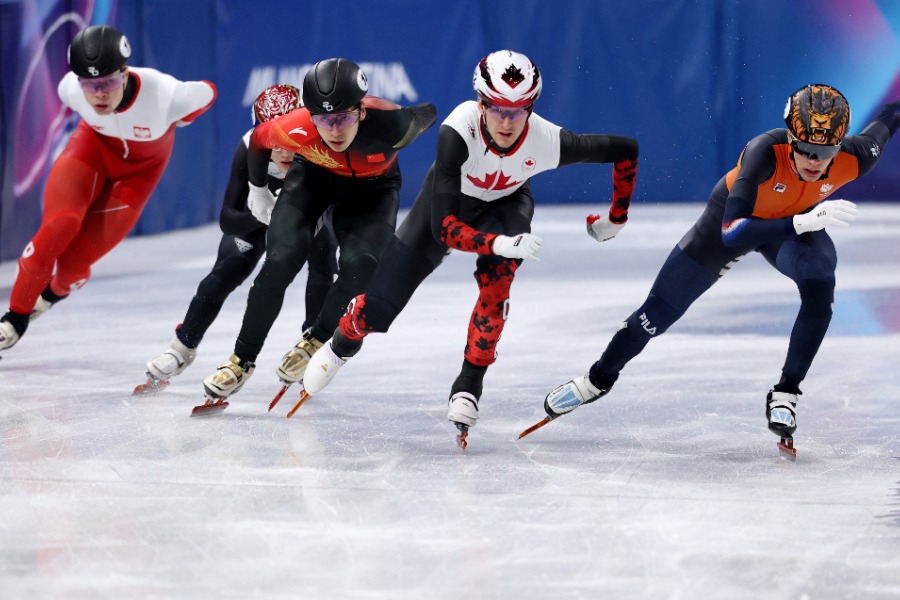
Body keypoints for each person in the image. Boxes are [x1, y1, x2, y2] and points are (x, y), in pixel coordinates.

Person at [534, 84, 900, 453]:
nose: (813, 160)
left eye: (824, 151)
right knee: (655, 315)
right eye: (804, 148)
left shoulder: (859, 156)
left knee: (821, 285)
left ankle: (786, 392)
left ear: (840, 144)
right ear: (790, 137)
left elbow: (891, 115)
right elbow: (731, 231)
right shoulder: (764, 152)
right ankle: (598, 379)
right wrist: (801, 224)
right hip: (733, 222)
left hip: (790, 228)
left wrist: (799, 223)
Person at [301, 50, 640, 445]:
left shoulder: (548, 141)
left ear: (532, 106)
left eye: (519, 110)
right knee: (378, 309)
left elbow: (626, 151)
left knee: (497, 289)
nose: (507, 121)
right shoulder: (458, 130)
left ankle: (468, 384)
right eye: (497, 108)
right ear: (480, 102)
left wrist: (616, 218)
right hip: (447, 205)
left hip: (507, 205)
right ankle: (345, 337)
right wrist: (500, 243)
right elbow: (444, 229)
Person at [198, 57, 436, 407]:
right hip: (314, 179)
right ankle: (240, 360)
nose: (334, 130)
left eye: (343, 117)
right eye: (324, 119)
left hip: (374, 191)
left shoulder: (396, 125)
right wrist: (259, 190)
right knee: (280, 260)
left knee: (363, 263)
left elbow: (428, 113)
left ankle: (315, 340)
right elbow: (258, 142)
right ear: (310, 115)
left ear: (362, 112)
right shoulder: (295, 126)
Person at [0, 25, 216, 353]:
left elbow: (208, 91)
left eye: (108, 83)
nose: (98, 93)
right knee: (60, 226)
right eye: (89, 85)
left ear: (125, 74)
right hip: (91, 152)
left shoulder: (168, 95)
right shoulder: (68, 90)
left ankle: (50, 296)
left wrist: (184, 117)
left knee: (73, 266)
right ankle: (14, 320)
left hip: (138, 176)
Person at [135, 84, 338, 393]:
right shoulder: (249, 148)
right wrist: (266, 215)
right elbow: (228, 218)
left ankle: (311, 343)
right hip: (261, 211)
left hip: (309, 212)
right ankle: (181, 348)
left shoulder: (323, 147)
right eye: (273, 140)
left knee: (323, 259)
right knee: (225, 272)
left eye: (290, 138)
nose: (282, 151)